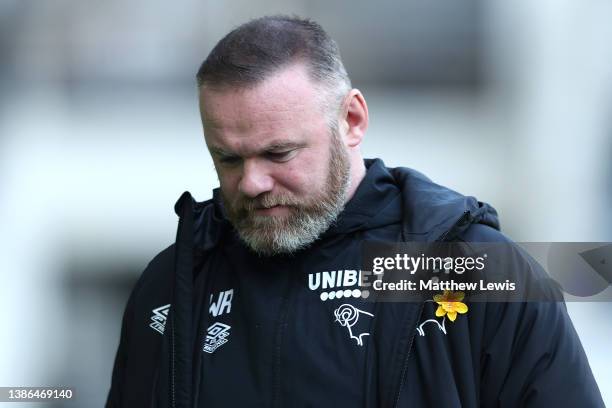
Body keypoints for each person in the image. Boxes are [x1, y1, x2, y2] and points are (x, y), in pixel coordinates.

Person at [106, 15, 604, 407]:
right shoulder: (173, 286)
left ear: (351, 120)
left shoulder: (466, 269)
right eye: (228, 159)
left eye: (279, 153)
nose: (253, 183)